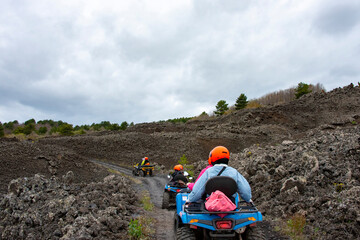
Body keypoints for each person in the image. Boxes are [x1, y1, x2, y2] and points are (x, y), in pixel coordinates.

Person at [187, 146, 252, 203]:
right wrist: (248, 199)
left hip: (211, 205)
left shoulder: (208, 172)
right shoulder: (234, 172)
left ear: (212, 158)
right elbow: (246, 192)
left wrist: (190, 199)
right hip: (230, 206)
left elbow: (197, 192)